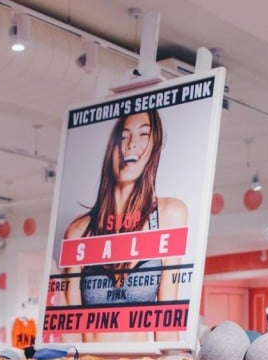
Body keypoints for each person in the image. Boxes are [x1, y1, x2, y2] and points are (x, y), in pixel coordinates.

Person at [58, 110, 188, 339]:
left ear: (155, 145)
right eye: (124, 136)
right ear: (112, 149)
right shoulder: (79, 231)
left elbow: (166, 326)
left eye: (143, 134)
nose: (131, 144)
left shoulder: (169, 216)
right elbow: (72, 331)